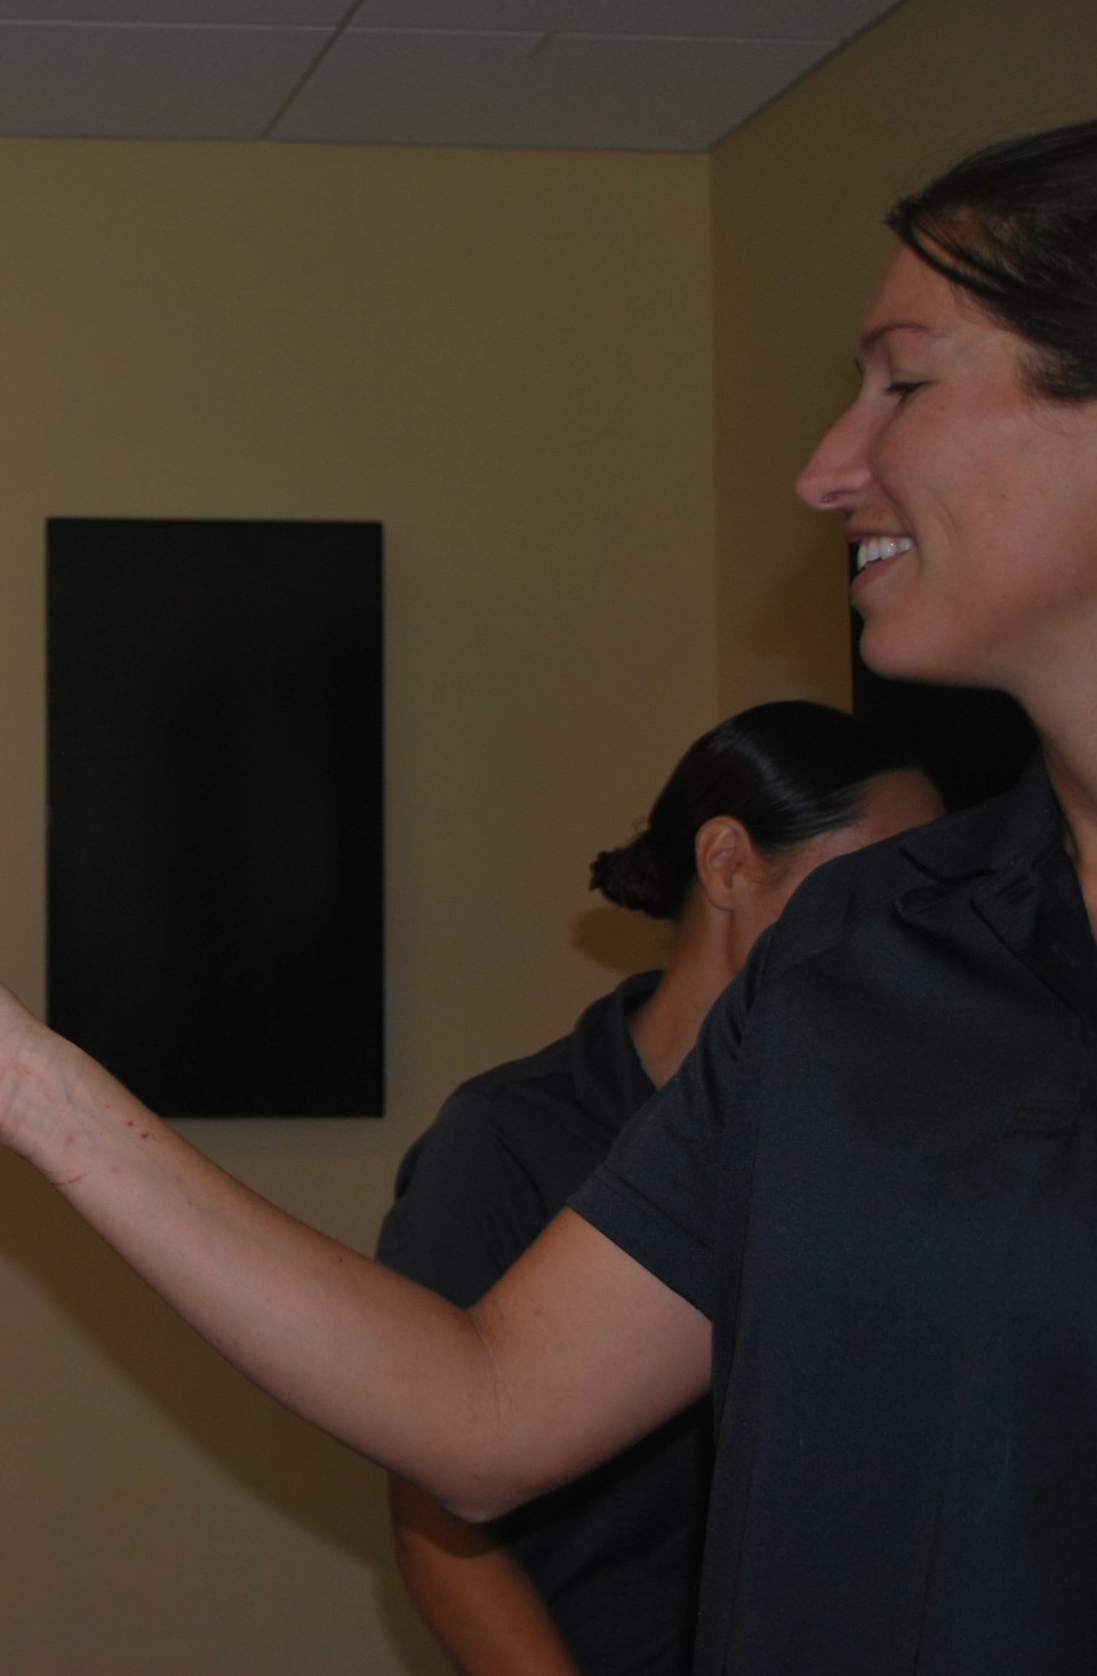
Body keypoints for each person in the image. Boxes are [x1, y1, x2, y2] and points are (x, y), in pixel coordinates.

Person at [0, 118, 1097, 1673]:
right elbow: (484, 1410)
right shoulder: (860, 955)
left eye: (906, 381)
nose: (825, 468)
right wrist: (25, 1087)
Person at [377, 702, 939, 1676]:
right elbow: (434, 1518)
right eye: (885, 879)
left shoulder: (895, 1132)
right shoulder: (508, 1138)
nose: (920, 929)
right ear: (727, 864)